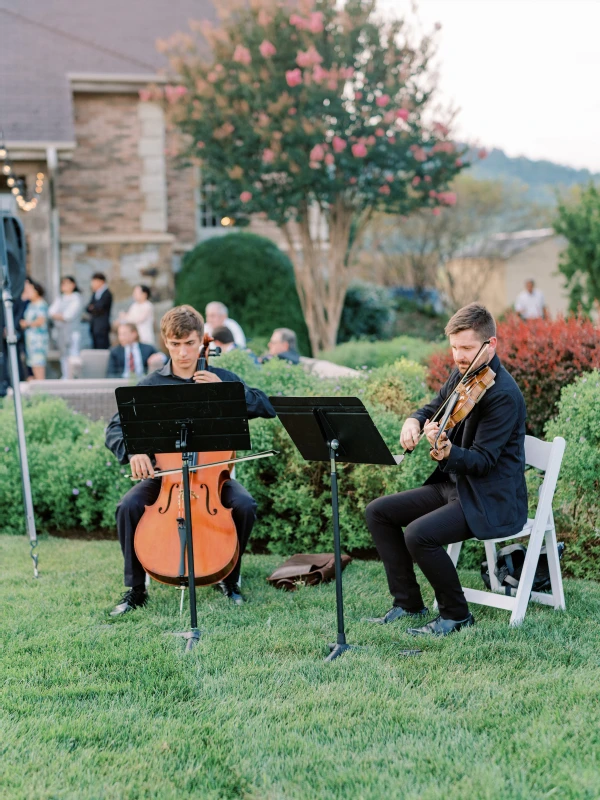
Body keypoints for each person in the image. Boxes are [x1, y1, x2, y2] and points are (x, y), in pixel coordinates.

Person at [364, 303, 527, 637]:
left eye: (466, 347)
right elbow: (433, 408)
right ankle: (408, 603)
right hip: (454, 487)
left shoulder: (504, 395)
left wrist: (449, 452)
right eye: (454, 347)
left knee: (419, 535)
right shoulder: (463, 373)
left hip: (488, 496)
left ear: (491, 344)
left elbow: (483, 462)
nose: (458, 356)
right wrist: (414, 420)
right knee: (378, 512)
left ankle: (456, 615)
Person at [105, 304, 276, 616]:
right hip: (163, 478)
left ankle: (228, 578)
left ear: (201, 341)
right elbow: (115, 427)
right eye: (175, 344)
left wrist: (226, 392)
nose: (183, 353)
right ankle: (136, 589)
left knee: (245, 505)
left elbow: (266, 405)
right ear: (165, 342)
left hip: (212, 479)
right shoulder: (151, 386)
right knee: (127, 506)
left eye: (189, 344)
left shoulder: (221, 377)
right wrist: (134, 450)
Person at [49, 276, 83, 379]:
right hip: (61, 333)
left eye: (68, 283)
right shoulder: (60, 298)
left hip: (72, 332)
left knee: (73, 355)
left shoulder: (76, 298)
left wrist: (59, 316)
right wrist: (61, 316)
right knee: (63, 355)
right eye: (63, 284)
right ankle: (66, 376)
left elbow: (68, 316)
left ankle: (74, 377)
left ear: (73, 285)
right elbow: (50, 312)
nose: (65, 286)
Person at [20, 278, 49, 380]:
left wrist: (27, 323)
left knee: (38, 363)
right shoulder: (30, 304)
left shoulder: (41, 304)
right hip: (30, 339)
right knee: (32, 363)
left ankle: (41, 388)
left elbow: (41, 321)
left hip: (38, 339)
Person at [86, 272, 113, 349]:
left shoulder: (107, 294)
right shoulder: (95, 293)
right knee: (95, 347)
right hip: (94, 326)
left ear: (101, 281)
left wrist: (93, 307)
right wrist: (93, 308)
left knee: (102, 347)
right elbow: (88, 308)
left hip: (102, 327)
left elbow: (99, 308)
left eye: (94, 282)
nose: (92, 284)